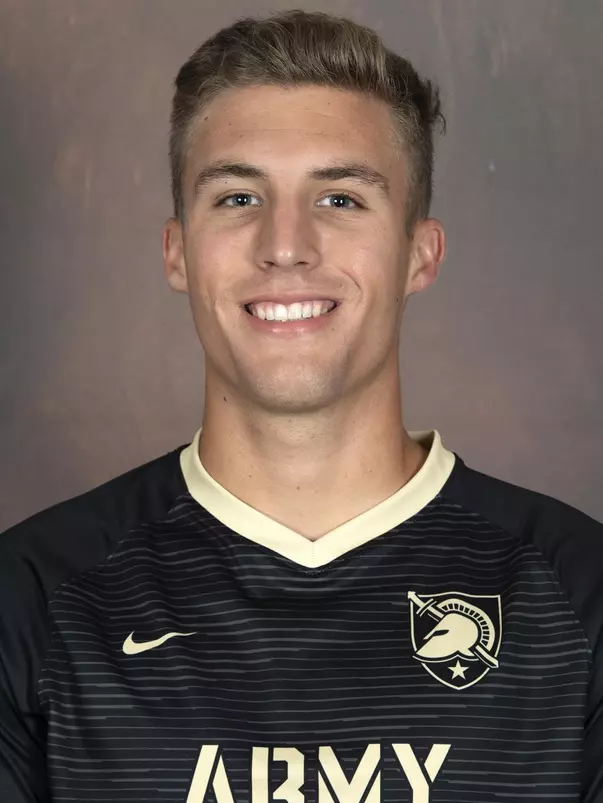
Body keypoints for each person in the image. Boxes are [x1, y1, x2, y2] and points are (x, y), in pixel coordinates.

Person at [1, 7, 602, 802]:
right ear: (177, 251)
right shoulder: (35, 595)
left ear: (418, 254)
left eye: (341, 199)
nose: (285, 244)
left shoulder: (577, 594)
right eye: (238, 197)